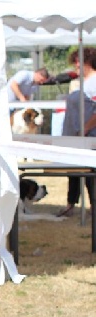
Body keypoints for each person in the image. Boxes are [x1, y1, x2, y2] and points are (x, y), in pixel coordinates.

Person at [58, 48, 96, 217]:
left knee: (90, 176)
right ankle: (71, 203)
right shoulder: (84, 81)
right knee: (73, 173)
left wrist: (85, 129)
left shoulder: (94, 81)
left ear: (88, 61)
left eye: (77, 61)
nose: (75, 66)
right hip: (75, 137)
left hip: (88, 137)